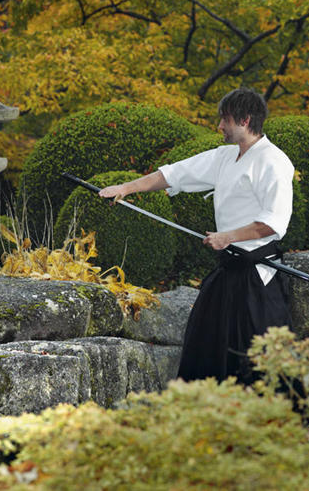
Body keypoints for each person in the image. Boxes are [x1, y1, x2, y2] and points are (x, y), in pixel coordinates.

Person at [98, 87, 294, 385]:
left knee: (269, 365)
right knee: (203, 348)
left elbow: (274, 222)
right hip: (228, 271)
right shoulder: (224, 157)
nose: (219, 127)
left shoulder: (274, 161)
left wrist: (228, 236)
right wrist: (126, 188)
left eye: (225, 120)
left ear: (244, 120)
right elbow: (173, 174)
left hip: (257, 278)